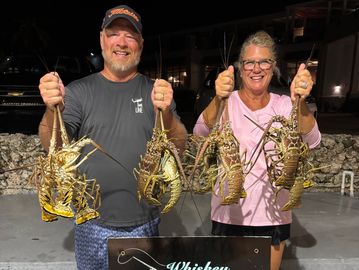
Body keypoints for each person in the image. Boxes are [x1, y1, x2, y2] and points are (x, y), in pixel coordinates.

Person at [38, 4, 187, 270]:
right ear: (101, 39)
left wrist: (164, 113)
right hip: (90, 223)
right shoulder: (79, 91)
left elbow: (179, 146)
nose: (121, 42)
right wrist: (52, 108)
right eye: (114, 33)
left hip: (144, 223)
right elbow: (55, 145)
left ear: (140, 43)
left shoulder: (156, 90)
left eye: (130, 35)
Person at [193, 30, 321, 270]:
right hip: (228, 213)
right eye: (250, 62)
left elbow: (312, 141)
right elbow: (199, 135)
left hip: (273, 215)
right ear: (240, 68)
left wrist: (300, 103)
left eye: (264, 62)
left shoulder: (285, 105)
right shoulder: (225, 102)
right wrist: (218, 98)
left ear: (273, 68)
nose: (256, 68)